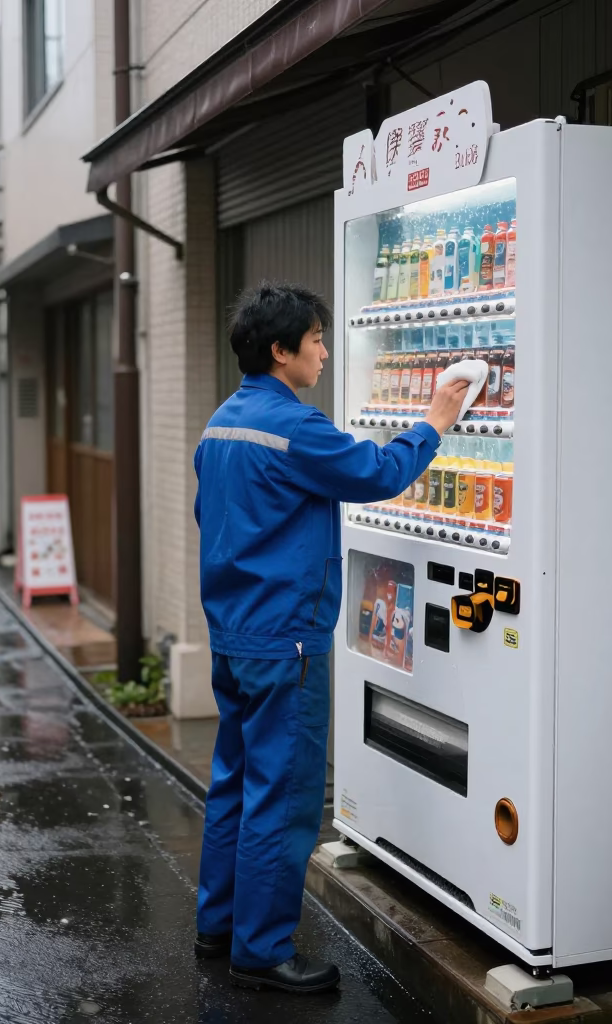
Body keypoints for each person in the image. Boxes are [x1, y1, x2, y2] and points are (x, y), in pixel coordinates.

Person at [192, 282, 469, 993]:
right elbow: (379, 472)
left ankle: (217, 925)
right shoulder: (295, 426)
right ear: (281, 352)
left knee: (234, 783)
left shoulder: (220, 423)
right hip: (287, 638)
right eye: (315, 340)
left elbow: (210, 515)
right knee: (282, 796)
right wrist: (435, 419)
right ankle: (261, 951)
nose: (323, 350)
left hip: (234, 633)